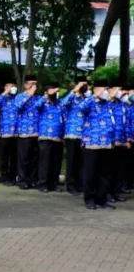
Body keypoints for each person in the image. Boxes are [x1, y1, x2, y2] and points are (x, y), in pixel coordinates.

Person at [79, 79, 116, 210]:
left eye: (106, 89)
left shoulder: (108, 104)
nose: (105, 92)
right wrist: (95, 96)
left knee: (105, 173)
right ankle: (89, 199)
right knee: (90, 173)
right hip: (92, 142)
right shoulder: (89, 103)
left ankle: (102, 199)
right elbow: (81, 108)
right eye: (103, 89)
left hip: (107, 143)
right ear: (95, 90)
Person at [59, 77, 90, 195]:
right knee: (72, 160)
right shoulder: (71, 98)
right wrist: (74, 90)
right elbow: (63, 103)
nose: (85, 86)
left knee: (81, 161)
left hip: (84, 134)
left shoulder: (86, 99)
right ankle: (70, 185)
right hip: (72, 134)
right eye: (83, 84)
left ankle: (79, 184)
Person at [35, 82, 64, 193]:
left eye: (56, 92)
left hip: (58, 137)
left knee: (56, 162)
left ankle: (53, 183)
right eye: (53, 91)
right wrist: (46, 95)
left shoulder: (59, 103)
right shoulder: (42, 103)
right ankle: (42, 183)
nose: (55, 94)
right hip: (45, 136)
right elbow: (37, 105)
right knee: (44, 162)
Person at [0, 82, 18, 186]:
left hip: (17, 133)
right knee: (5, 157)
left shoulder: (18, 99)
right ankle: (5, 178)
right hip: (5, 132)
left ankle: (13, 177)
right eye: (11, 87)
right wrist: (4, 93)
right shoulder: (2, 98)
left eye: (14, 87)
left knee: (15, 157)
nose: (13, 89)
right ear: (6, 88)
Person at [15, 75, 40, 190]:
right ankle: (22, 180)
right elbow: (19, 105)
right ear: (25, 85)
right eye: (31, 83)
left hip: (37, 132)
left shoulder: (38, 98)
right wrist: (30, 93)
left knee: (34, 158)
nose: (33, 85)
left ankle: (33, 180)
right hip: (24, 132)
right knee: (23, 158)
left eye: (35, 83)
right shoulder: (20, 96)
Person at [107, 85, 128, 203]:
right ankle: (107, 193)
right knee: (109, 169)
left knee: (119, 170)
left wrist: (128, 139)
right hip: (111, 141)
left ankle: (116, 192)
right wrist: (110, 97)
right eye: (117, 90)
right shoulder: (106, 104)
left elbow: (128, 122)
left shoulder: (122, 105)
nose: (120, 92)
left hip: (122, 141)